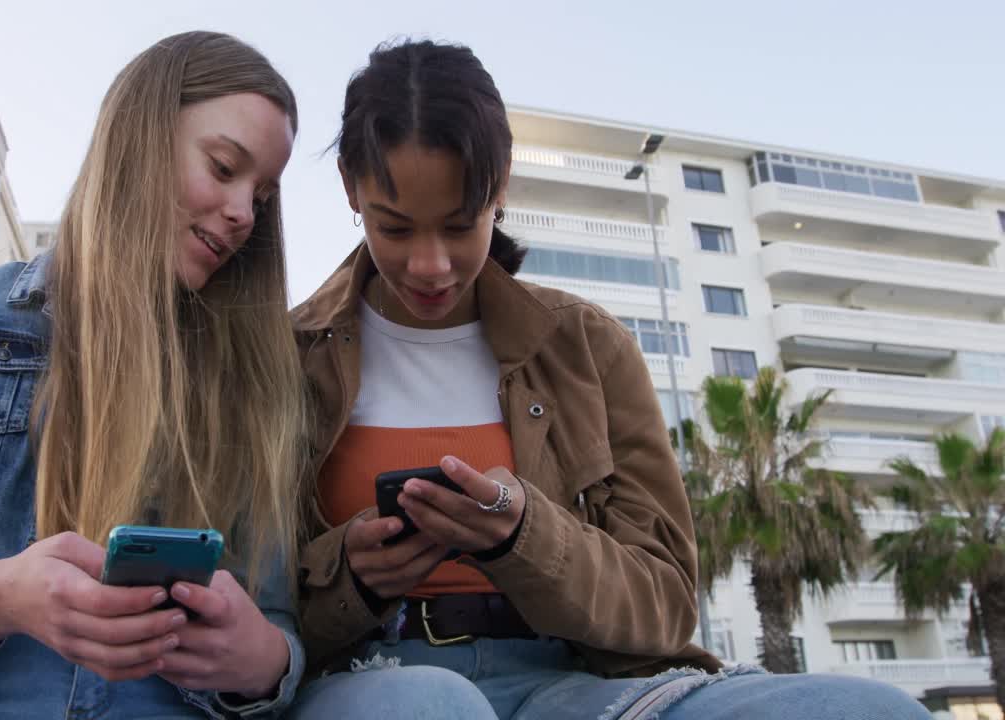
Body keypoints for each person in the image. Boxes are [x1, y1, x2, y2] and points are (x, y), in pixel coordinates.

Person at [287, 39, 932, 720]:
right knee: (428, 703)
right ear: (350, 190)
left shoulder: (588, 346)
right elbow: (244, 606)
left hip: (574, 683)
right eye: (394, 229)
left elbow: (665, 604)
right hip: (372, 678)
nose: (431, 265)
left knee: (875, 710)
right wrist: (347, 578)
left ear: (499, 189)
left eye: (459, 225)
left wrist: (523, 538)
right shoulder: (285, 355)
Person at [0, 32, 311, 719]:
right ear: (139, 137)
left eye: (262, 196)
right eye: (222, 167)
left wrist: (264, 662)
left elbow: (277, 633)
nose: (244, 212)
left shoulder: (253, 384)